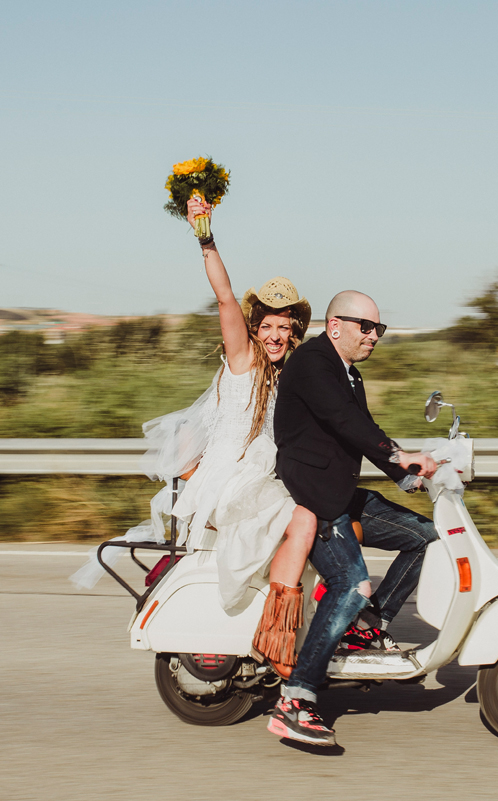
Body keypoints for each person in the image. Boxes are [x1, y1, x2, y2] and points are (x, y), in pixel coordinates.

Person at [71, 195, 317, 677]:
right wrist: (205, 235)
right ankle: (278, 640)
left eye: (282, 328)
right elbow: (226, 297)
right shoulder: (243, 361)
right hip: (230, 483)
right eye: (265, 325)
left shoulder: (289, 379)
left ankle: (305, 628)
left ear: (293, 333)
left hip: (261, 479)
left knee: (320, 523)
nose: (272, 335)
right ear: (253, 329)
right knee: (300, 520)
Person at [265, 290, 439, 747]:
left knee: (424, 536)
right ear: (336, 324)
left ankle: (366, 629)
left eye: (379, 329)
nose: (374, 336)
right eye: (367, 327)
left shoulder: (350, 376)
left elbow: (364, 432)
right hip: (316, 498)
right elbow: (345, 421)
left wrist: (406, 476)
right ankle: (295, 701)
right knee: (351, 584)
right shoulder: (312, 362)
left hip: (342, 494)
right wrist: (402, 456)